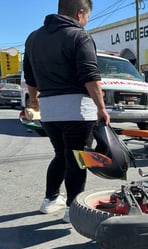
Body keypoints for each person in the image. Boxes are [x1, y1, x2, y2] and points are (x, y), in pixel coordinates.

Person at [23, 0, 110, 223]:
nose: (86, 21)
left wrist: (34, 101)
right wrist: (101, 108)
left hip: (49, 112)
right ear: (80, 13)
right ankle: (73, 209)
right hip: (78, 111)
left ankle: (50, 200)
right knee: (78, 159)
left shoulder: (33, 38)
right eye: (87, 17)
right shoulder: (79, 36)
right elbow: (90, 75)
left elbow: (30, 76)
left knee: (61, 155)